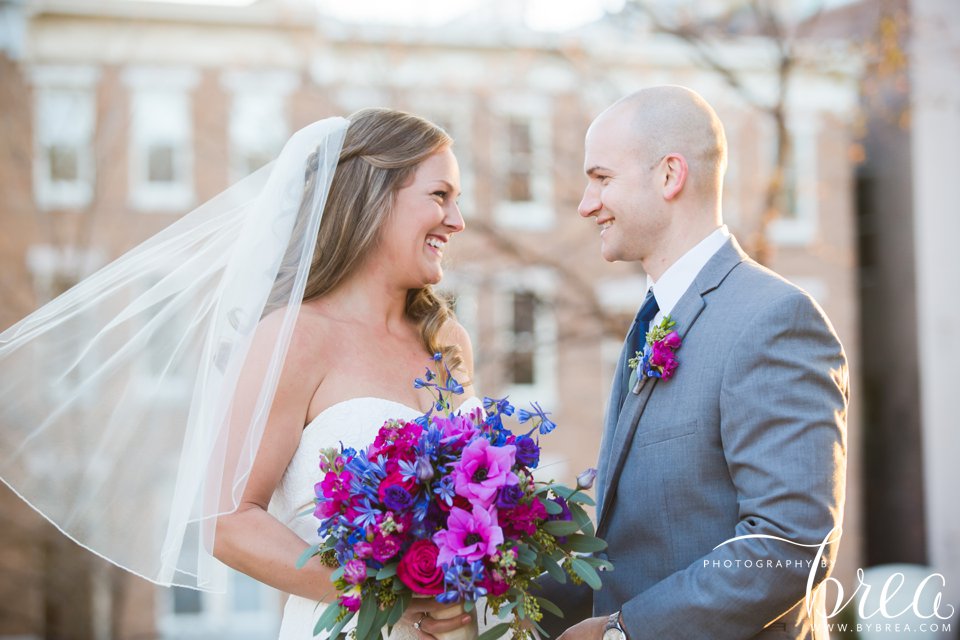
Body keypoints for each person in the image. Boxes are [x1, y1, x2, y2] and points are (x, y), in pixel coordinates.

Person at [0, 108, 475, 639]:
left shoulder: (446, 341)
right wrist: (382, 596)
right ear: (374, 196)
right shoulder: (294, 337)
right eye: (440, 196)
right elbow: (226, 521)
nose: (457, 219)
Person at [540, 86, 849, 640]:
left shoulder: (773, 319)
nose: (587, 203)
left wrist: (623, 634)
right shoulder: (654, 319)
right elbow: (633, 554)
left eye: (602, 178)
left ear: (669, 176)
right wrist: (485, 590)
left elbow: (790, 545)